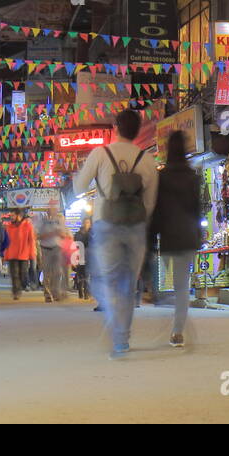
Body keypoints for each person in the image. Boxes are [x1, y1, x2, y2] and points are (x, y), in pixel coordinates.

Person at [73, 109, 158, 358]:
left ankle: (113, 318)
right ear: (138, 131)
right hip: (136, 225)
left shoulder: (101, 153)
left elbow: (79, 188)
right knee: (128, 284)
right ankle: (122, 339)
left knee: (104, 280)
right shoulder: (147, 159)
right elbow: (150, 202)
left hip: (106, 222)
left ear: (115, 128)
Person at [149, 130, 203, 348]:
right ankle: (178, 329)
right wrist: (199, 234)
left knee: (168, 284)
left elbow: (157, 210)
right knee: (182, 286)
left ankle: (174, 320)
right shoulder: (193, 177)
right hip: (188, 235)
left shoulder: (161, 178)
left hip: (169, 236)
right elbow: (196, 209)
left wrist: (152, 236)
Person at [4, 209, 36, 300]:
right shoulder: (9, 227)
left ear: (19, 216)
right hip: (12, 254)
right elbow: (6, 242)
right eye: (11, 216)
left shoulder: (27, 226)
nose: (11, 217)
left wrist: (32, 254)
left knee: (23, 273)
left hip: (23, 254)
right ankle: (16, 292)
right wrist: (5, 255)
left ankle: (20, 287)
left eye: (13, 215)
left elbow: (31, 240)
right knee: (14, 274)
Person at [38, 213, 70, 302]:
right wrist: (51, 233)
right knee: (47, 272)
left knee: (57, 272)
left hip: (58, 250)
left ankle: (55, 292)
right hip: (46, 249)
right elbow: (38, 236)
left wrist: (61, 234)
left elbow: (67, 236)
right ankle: (47, 294)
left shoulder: (63, 227)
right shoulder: (43, 224)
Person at [73, 218, 92, 300]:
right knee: (80, 275)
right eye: (85, 222)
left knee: (87, 275)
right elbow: (76, 245)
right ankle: (80, 292)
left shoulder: (92, 233)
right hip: (80, 256)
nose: (86, 224)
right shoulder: (78, 234)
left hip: (89, 257)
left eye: (88, 223)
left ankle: (87, 293)